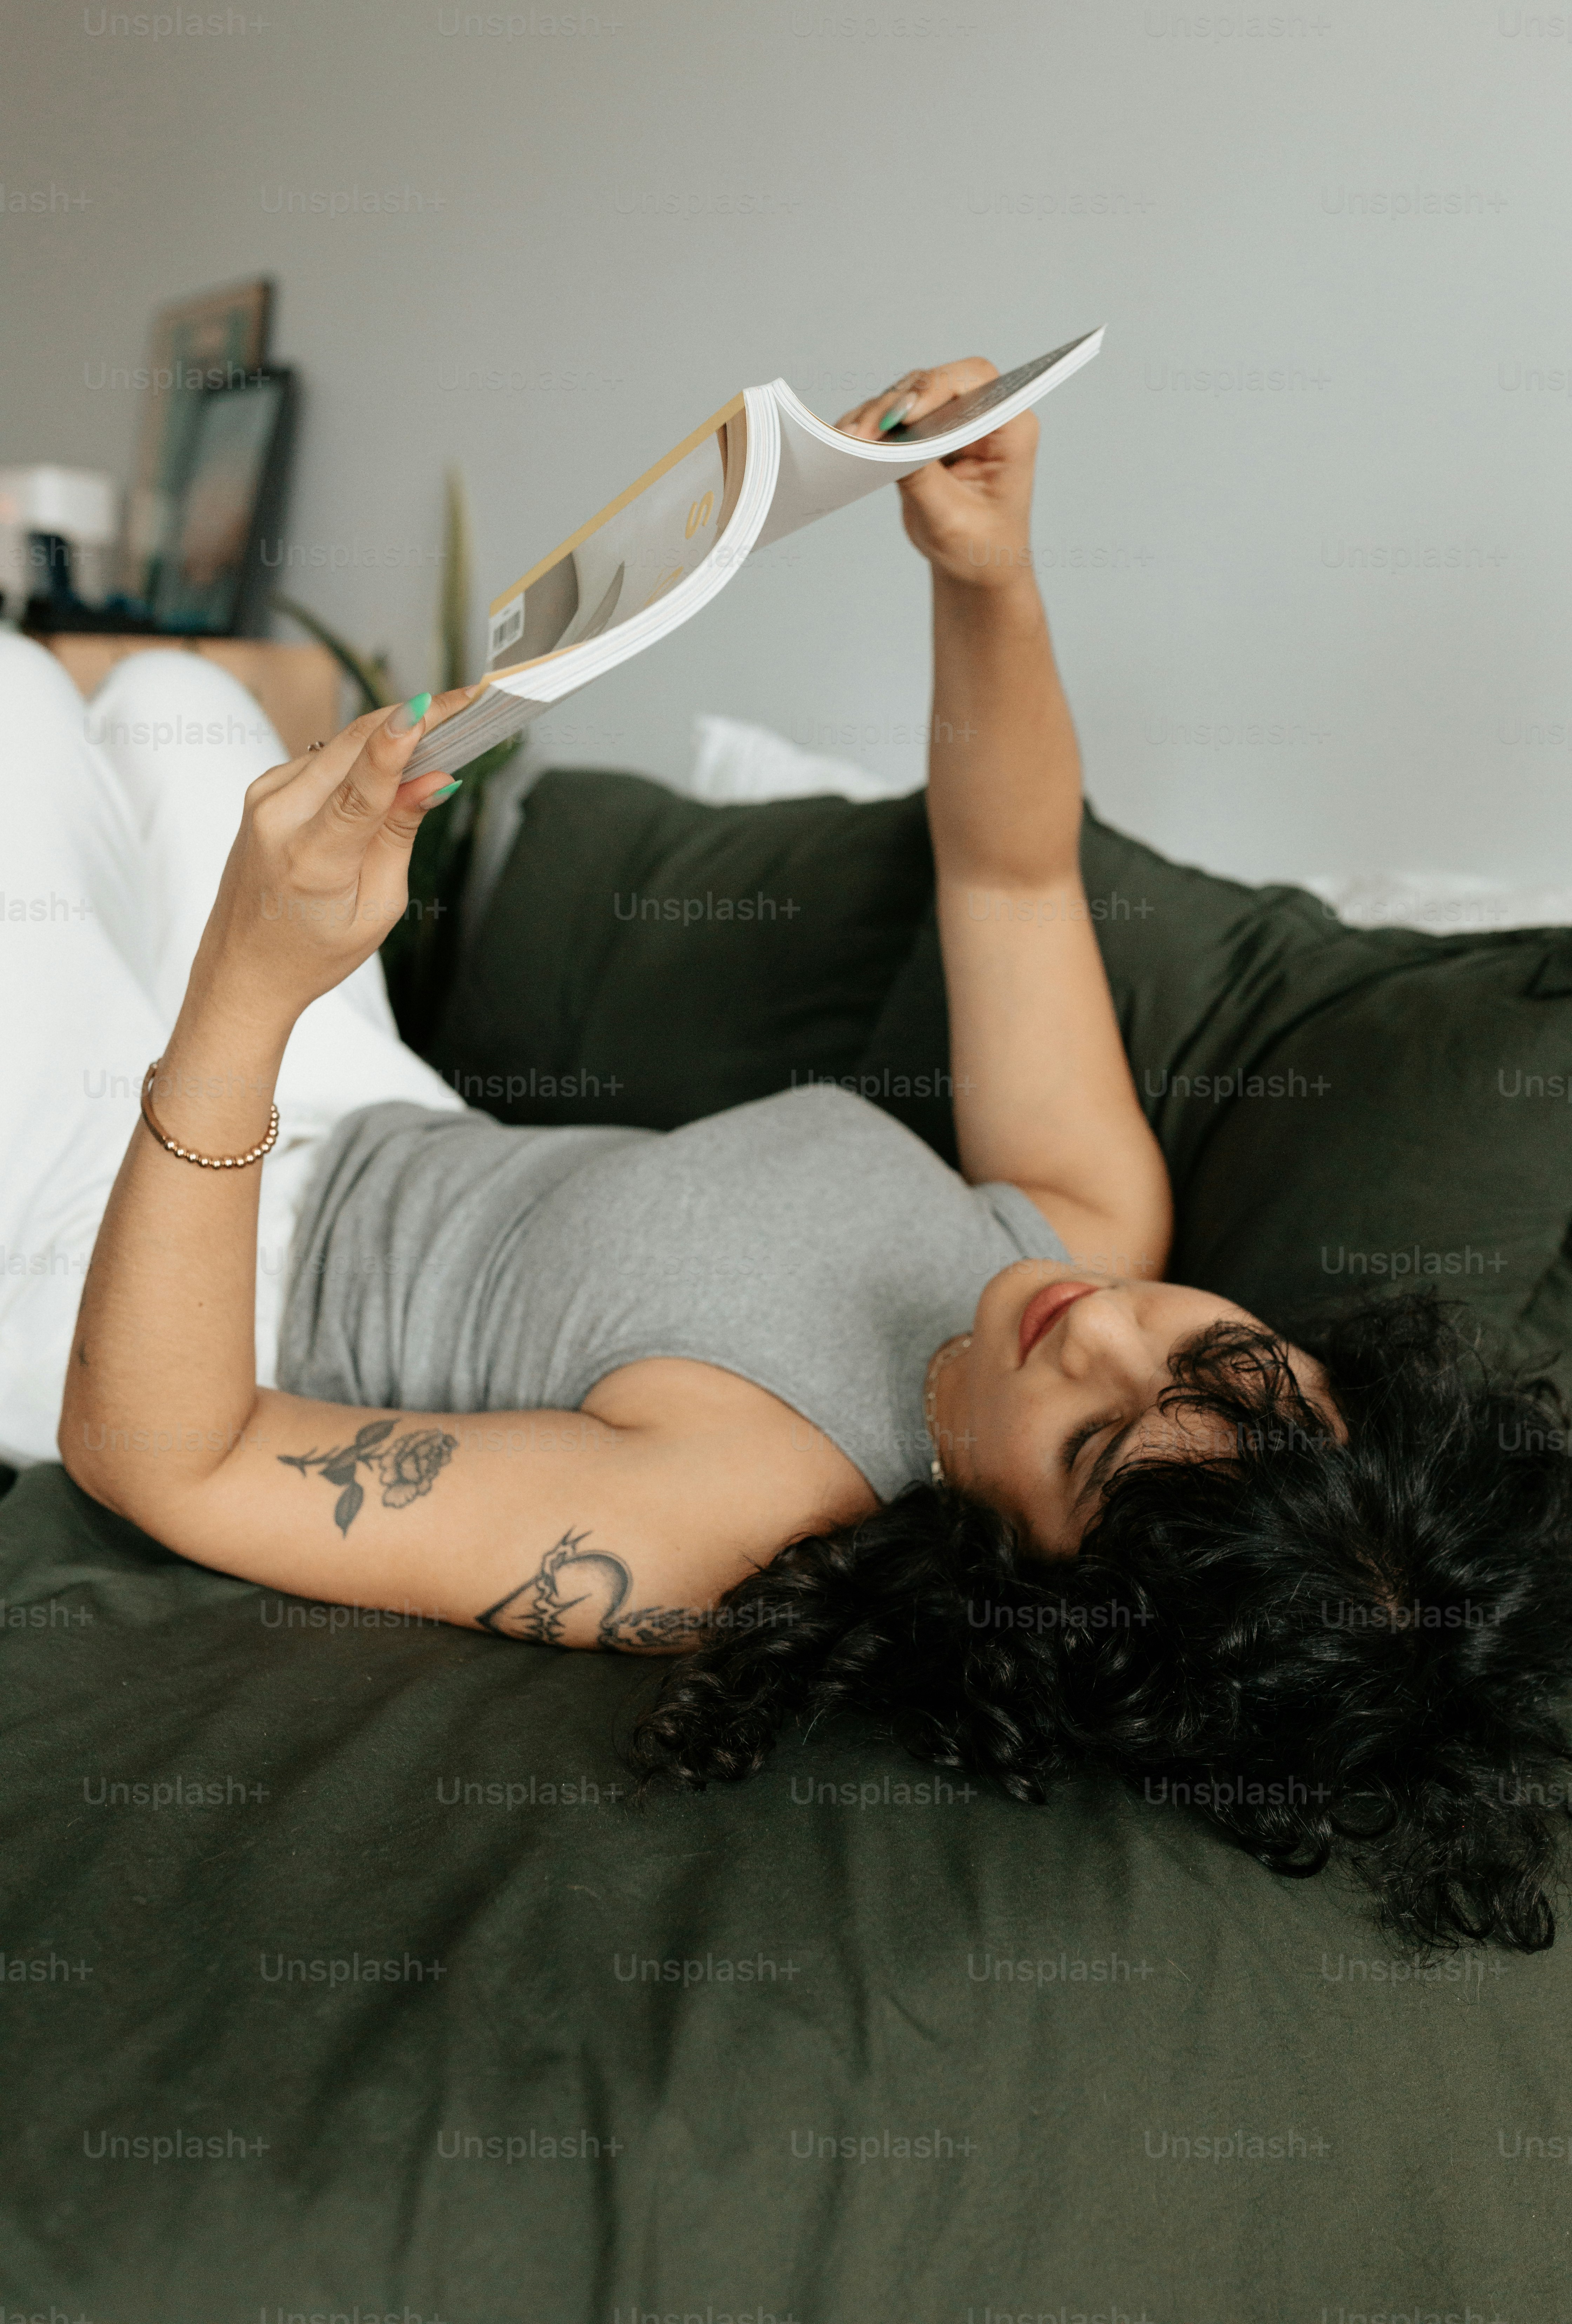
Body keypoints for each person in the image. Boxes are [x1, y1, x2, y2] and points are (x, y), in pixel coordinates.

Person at [14, 361, 1568, 1955]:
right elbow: (1015, 879)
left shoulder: (737, 1513)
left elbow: (172, 1458)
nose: (1099, 1327)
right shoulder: (1083, 1224)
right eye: (1204, 1349)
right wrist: (987, 577)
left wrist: (248, 993)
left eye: (1093, 1446)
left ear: (1028, 1585)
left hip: (132, 1257)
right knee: (168, 706)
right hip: (366, 1109)